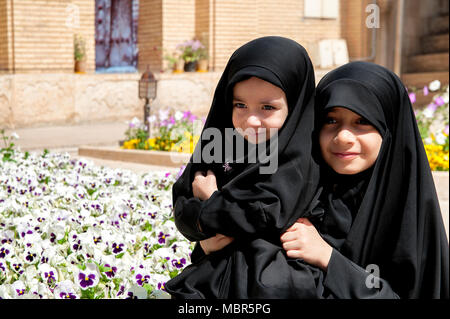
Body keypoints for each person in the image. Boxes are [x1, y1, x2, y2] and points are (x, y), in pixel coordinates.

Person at [164, 36, 325, 299]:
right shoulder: (225, 141)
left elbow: (263, 213)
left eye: (267, 107)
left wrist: (209, 202)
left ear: (294, 105)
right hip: (213, 281)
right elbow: (183, 200)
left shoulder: (300, 159)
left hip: (273, 289)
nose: (251, 119)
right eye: (240, 105)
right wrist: (205, 230)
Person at [280, 61, 449, 298]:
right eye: (330, 120)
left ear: (389, 129)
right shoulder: (298, 197)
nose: (343, 136)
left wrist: (328, 258)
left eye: (362, 121)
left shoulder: (407, 211)